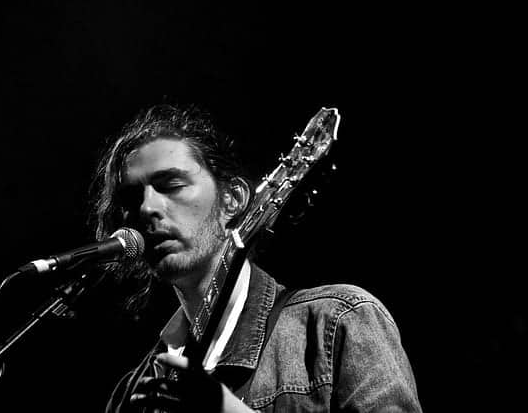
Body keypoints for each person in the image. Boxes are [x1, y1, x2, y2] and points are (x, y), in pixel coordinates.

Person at [93, 104, 422, 412]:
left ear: (232, 200)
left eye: (171, 184)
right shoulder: (134, 389)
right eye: (132, 198)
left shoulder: (336, 322)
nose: (147, 208)